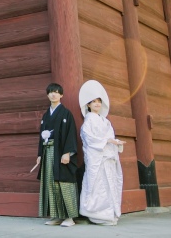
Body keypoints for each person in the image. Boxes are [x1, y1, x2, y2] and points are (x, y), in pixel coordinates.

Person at [31, 82, 79, 227]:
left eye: (57, 92)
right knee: (50, 183)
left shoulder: (66, 114)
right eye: (51, 92)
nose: (53, 94)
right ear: (47, 95)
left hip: (60, 152)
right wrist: (40, 154)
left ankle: (69, 217)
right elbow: (41, 137)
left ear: (61, 95)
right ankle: (56, 216)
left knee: (63, 183)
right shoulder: (46, 116)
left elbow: (71, 134)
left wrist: (67, 153)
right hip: (47, 152)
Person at [78, 80, 125, 226]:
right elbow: (89, 139)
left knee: (109, 184)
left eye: (99, 101)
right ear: (88, 105)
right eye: (93, 102)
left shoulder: (106, 121)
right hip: (97, 158)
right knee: (97, 185)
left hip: (108, 157)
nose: (97, 104)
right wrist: (108, 141)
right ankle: (96, 214)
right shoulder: (88, 122)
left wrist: (115, 143)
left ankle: (110, 213)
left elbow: (110, 137)